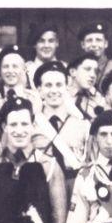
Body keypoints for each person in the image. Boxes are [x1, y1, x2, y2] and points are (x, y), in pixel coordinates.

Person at [31, 61, 90, 199]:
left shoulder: (83, 124)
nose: (54, 91)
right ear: (39, 90)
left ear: (67, 87)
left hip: (74, 188)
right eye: (48, 85)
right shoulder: (32, 125)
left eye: (59, 85)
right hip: (42, 187)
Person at [0, 44, 41, 110]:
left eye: (15, 66)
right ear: (0, 71)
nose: (10, 71)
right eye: (5, 67)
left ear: (24, 69)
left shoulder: (33, 98)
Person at [68, 53, 106, 121]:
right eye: (87, 69)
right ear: (73, 72)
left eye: (95, 71)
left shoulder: (100, 100)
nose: (93, 75)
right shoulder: (62, 96)